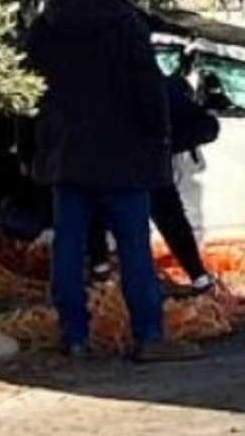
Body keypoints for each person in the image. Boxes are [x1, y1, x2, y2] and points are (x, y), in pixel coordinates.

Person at [25, 0, 201, 362]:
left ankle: (73, 336)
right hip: (123, 158)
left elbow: (26, 89)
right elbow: (147, 89)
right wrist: (158, 138)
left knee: (68, 248)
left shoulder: (47, 26)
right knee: (134, 249)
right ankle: (149, 336)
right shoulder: (126, 25)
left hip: (66, 156)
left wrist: (33, 148)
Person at [88, 71, 221, 296]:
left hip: (119, 170)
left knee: (105, 219)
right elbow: (207, 126)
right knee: (168, 220)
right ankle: (197, 277)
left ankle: (102, 271)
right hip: (142, 169)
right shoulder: (156, 84)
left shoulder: (91, 81)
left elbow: (206, 126)